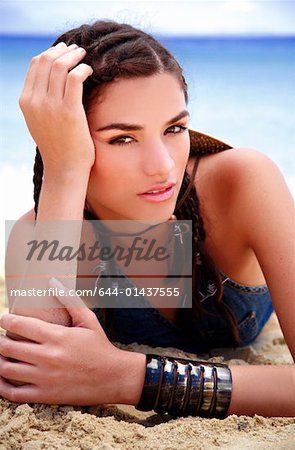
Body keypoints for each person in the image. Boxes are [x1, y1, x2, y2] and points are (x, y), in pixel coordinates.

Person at [1, 20, 294, 417]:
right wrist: (66, 169)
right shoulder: (44, 232)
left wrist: (130, 377)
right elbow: (29, 380)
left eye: (174, 128)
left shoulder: (241, 183)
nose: (162, 167)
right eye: (122, 138)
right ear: (68, 137)